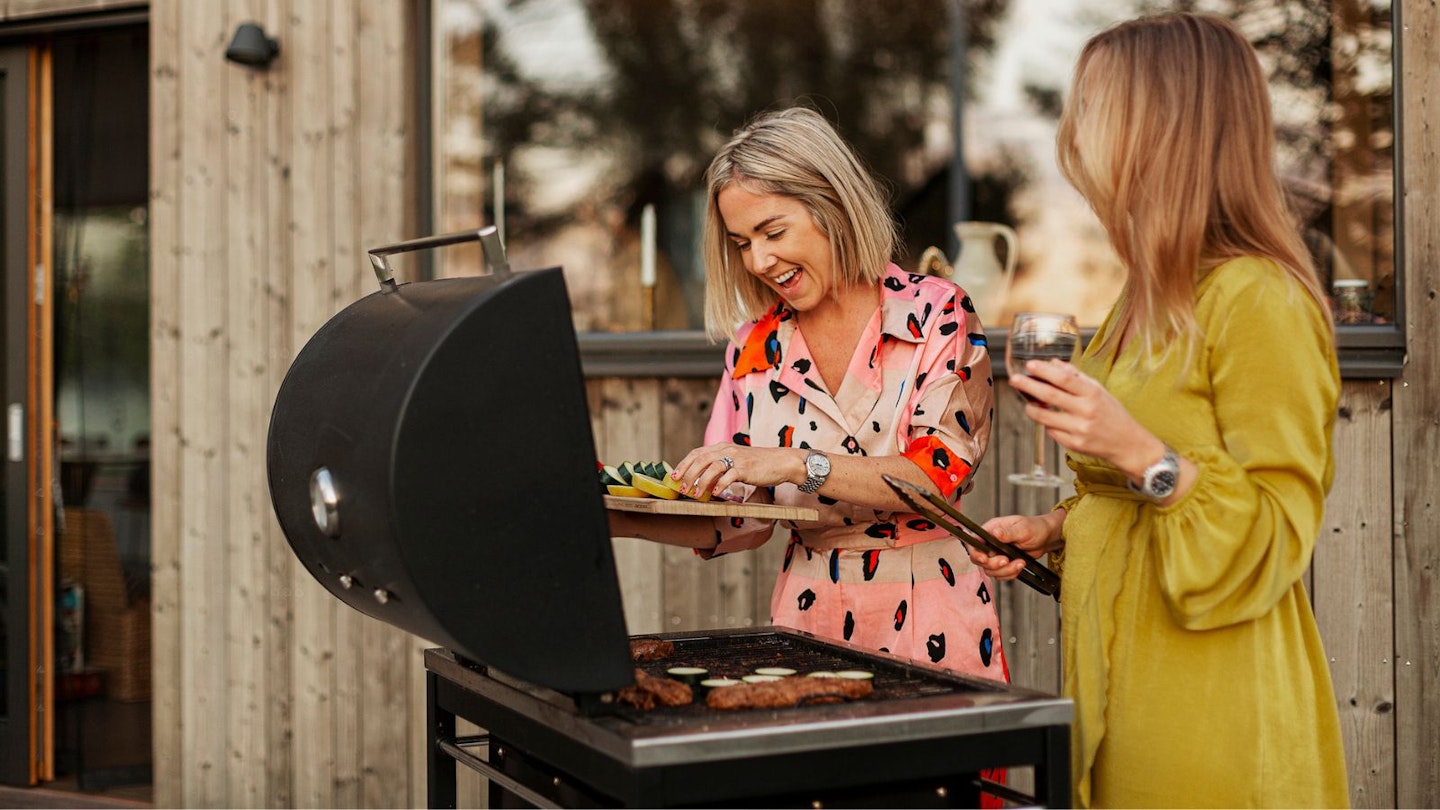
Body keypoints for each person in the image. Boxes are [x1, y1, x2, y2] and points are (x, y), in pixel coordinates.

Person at [968, 13, 1349, 808]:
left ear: (1162, 131)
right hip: (1123, 679)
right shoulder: (1146, 299)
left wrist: (1141, 453)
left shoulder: (1258, 299)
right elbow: (1136, 495)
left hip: (1210, 702)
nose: (1078, 133)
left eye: (1097, 109)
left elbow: (1278, 533)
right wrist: (1057, 529)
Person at [608, 106, 1007, 682]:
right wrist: (611, 515)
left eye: (773, 232)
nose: (759, 260)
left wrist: (794, 463)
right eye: (742, 242)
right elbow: (735, 518)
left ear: (833, 207)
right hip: (805, 623)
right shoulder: (753, 346)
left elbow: (934, 477)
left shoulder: (936, 313)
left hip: (933, 617)